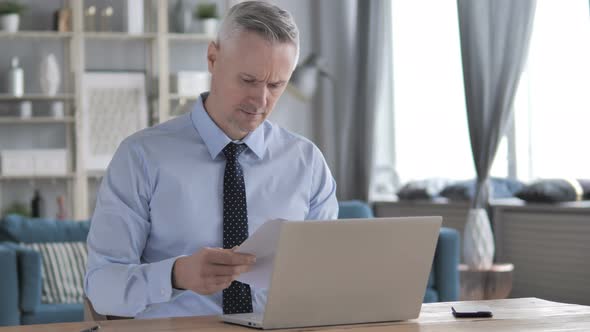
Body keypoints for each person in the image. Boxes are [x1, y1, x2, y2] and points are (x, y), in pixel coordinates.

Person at [84, 1, 338, 319]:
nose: (261, 100)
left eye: (276, 85)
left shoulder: (308, 164)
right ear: (213, 59)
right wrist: (176, 275)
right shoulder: (141, 157)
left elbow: (325, 280)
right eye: (248, 80)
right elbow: (102, 287)